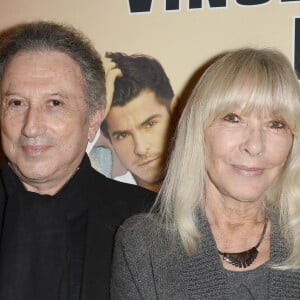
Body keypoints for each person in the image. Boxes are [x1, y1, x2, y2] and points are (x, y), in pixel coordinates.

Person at [111, 48, 300, 299]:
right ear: (198, 130)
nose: (255, 145)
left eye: (276, 124)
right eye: (233, 118)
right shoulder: (144, 245)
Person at [0, 21, 154, 300]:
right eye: (16, 103)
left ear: (94, 119)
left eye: (55, 103)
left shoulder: (148, 220)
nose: (31, 127)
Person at [99, 52, 177, 192]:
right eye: (122, 135)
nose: (140, 149)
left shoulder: (214, 182)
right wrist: (94, 114)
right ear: (108, 137)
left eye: (150, 124)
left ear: (176, 113)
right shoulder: (105, 196)